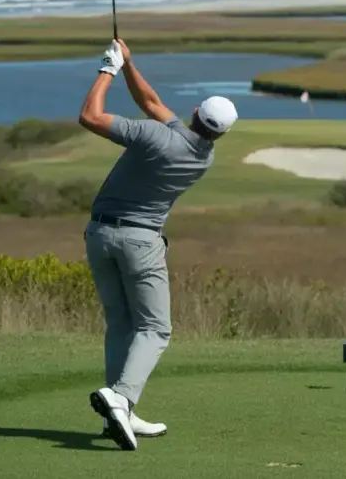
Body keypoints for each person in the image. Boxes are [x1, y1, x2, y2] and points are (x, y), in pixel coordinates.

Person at [77, 38, 238, 451]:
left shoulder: (153, 135)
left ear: (195, 113)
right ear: (218, 134)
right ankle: (121, 400)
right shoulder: (202, 156)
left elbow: (90, 116)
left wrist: (109, 69)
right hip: (141, 243)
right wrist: (129, 63)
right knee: (154, 328)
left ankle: (120, 408)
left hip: (99, 235)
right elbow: (150, 101)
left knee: (123, 325)